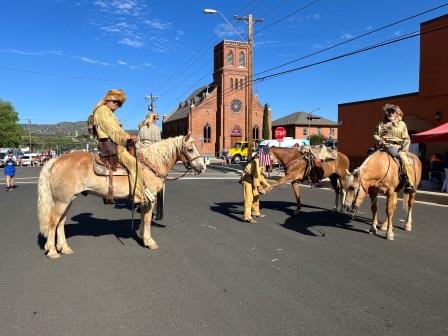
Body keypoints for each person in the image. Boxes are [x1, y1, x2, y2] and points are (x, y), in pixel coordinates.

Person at [92, 89, 152, 205]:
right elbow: (113, 130)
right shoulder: (103, 111)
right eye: (115, 101)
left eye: (119, 103)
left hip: (115, 144)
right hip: (114, 146)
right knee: (137, 167)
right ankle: (138, 198)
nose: (117, 105)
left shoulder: (108, 112)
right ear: (108, 99)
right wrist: (128, 137)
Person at [373, 103, 415, 193]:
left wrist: (404, 148)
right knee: (370, 156)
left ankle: (408, 183)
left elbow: (406, 138)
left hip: (397, 147)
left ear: (397, 113)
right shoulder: (381, 124)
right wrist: (380, 139)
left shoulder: (402, 124)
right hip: (383, 146)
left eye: (392, 112)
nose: (390, 113)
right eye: (388, 112)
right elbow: (375, 134)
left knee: (405, 160)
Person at [241, 155, 271, 223]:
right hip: (247, 179)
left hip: (254, 180)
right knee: (249, 199)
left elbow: (260, 176)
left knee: (256, 196)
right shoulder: (255, 162)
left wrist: (267, 184)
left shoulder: (263, 163)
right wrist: (259, 187)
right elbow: (256, 176)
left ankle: (255, 212)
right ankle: (247, 217)